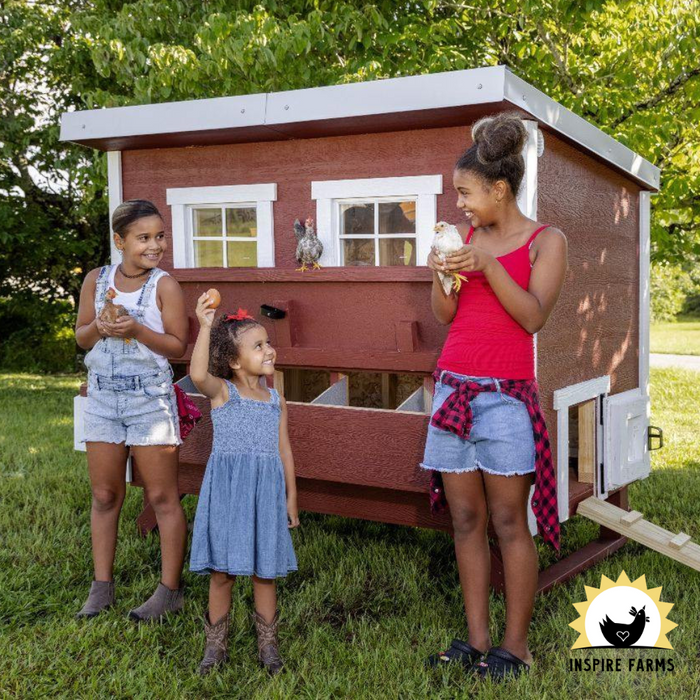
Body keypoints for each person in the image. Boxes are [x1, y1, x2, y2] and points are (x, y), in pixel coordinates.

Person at [422, 113, 568, 680]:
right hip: (453, 391)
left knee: (509, 521)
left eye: (465, 192)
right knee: (464, 518)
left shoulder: (545, 241)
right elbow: (446, 316)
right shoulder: (468, 241)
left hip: (506, 401)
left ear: (499, 189)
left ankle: (516, 646)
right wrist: (444, 277)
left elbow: (532, 317)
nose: (458, 204)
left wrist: (486, 266)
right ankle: (477, 639)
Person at [74, 199, 189, 621]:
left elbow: (178, 347)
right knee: (105, 495)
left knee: (161, 495)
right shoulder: (96, 280)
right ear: (120, 241)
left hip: (148, 401)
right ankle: (101, 587)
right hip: (102, 400)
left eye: (160, 236)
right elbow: (82, 339)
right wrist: (100, 327)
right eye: (144, 238)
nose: (155, 245)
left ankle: (169, 590)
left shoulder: (165, 286)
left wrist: (137, 329)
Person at [188, 295, 299, 676]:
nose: (270, 350)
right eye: (259, 346)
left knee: (264, 570)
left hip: (265, 493)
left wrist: (292, 497)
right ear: (235, 361)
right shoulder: (223, 393)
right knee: (222, 572)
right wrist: (204, 326)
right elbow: (198, 374)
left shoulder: (275, 399)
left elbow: (284, 449)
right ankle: (215, 644)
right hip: (229, 492)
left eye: (268, 343)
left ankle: (268, 644)